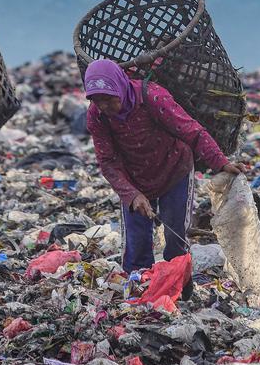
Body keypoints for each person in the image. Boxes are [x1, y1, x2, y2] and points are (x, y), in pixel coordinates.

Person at [83, 59, 245, 273]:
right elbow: (107, 161)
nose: (104, 106)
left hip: (174, 169)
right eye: (97, 100)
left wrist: (221, 163)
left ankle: (178, 284)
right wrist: (131, 194)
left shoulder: (153, 97)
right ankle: (139, 291)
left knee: (175, 235)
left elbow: (191, 130)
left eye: (108, 99)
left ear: (120, 87)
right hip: (134, 177)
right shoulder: (97, 116)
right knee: (136, 243)